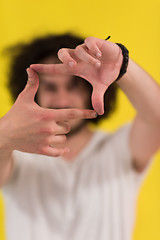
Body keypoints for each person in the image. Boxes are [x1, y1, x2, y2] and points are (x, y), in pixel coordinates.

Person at [0, 33, 160, 240]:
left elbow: (156, 119)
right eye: (50, 87)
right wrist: (4, 135)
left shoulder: (119, 147)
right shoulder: (14, 154)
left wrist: (122, 66)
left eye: (73, 86)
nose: (62, 99)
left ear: (90, 90)